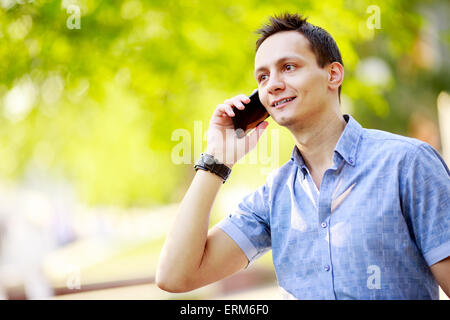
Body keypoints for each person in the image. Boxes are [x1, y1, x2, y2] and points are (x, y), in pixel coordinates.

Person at [156, 13, 450, 299]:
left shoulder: (408, 164)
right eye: (263, 76)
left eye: (289, 67)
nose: (272, 84)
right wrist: (217, 160)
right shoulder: (274, 196)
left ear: (333, 74)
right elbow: (175, 276)